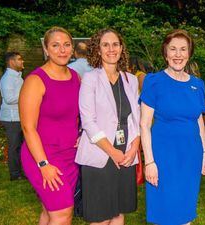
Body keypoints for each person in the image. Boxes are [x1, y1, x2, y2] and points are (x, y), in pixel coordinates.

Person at [140, 29, 205, 225]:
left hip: (190, 156)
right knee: (166, 214)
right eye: (173, 49)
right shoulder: (153, 82)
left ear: (189, 53)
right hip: (163, 158)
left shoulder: (198, 84)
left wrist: (204, 152)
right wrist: (149, 162)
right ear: (165, 53)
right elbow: (144, 125)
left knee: (185, 213)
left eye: (183, 49)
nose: (178, 55)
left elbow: (199, 120)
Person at [75, 28, 140, 225]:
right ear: (98, 49)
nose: (111, 49)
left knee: (119, 213)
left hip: (126, 154)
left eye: (115, 44)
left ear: (121, 48)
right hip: (100, 154)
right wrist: (112, 151)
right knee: (100, 218)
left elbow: (135, 119)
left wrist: (135, 147)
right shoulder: (91, 78)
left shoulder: (131, 79)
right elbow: (88, 121)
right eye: (105, 45)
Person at [19, 26, 80, 225]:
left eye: (66, 45)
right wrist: (43, 164)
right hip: (43, 156)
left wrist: (80, 133)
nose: (62, 50)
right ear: (46, 49)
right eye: (55, 45)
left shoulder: (76, 78)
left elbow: (76, 117)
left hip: (70, 157)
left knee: (50, 211)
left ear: (72, 48)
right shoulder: (35, 80)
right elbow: (28, 128)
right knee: (62, 214)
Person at [0, 51, 25, 181]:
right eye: (19, 59)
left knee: (22, 146)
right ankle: (15, 174)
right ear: (11, 62)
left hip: (19, 117)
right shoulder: (8, 78)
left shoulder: (17, 77)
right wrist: (27, 95)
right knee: (14, 146)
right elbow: (9, 99)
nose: (22, 62)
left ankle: (22, 170)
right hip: (11, 118)